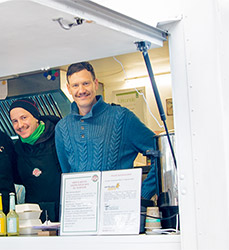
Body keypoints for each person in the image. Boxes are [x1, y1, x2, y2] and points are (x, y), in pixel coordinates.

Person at [55, 61, 158, 199]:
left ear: (95, 84)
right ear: (69, 89)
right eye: (75, 85)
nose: (81, 90)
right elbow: (67, 174)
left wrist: (142, 195)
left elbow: (161, 152)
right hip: (83, 211)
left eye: (86, 83)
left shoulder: (121, 117)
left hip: (119, 210)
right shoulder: (62, 128)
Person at [9, 98, 62, 222]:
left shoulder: (58, 137)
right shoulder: (17, 149)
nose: (20, 125)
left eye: (24, 118)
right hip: (32, 217)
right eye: (15, 121)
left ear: (36, 117)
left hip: (62, 213)